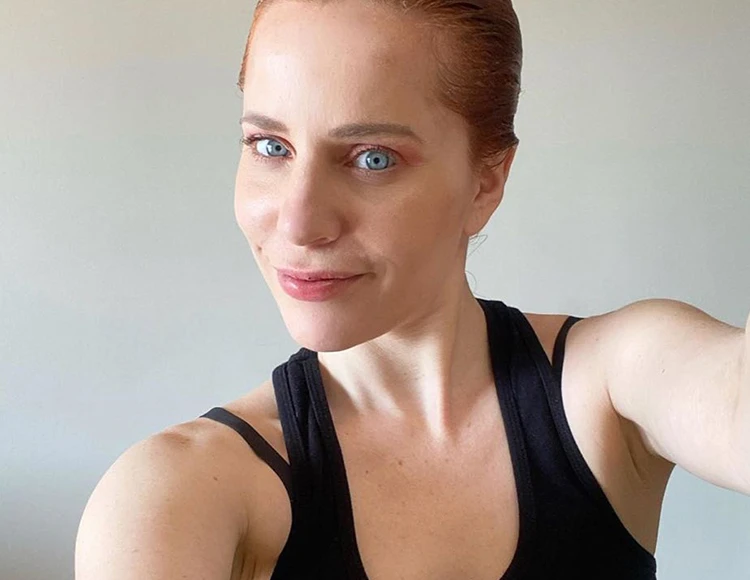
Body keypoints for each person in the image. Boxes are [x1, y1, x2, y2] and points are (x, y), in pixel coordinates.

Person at [75, 0, 750, 578]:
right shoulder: (179, 494)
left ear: (485, 181)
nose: (299, 222)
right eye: (270, 146)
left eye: (372, 158)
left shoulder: (612, 385)